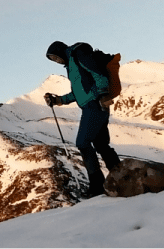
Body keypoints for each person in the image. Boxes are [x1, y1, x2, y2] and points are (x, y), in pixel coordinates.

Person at [43, 40, 121, 197]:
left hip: (95, 104)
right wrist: (58, 100)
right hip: (92, 105)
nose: (56, 61)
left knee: (83, 143)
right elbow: (79, 93)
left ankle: (97, 186)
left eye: (56, 57)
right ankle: (121, 176)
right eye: (53, 60)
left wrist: (103, 93)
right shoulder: (71, 65)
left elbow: (97, 72)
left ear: (60, 51)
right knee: (101, 144)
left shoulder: (78, 54)